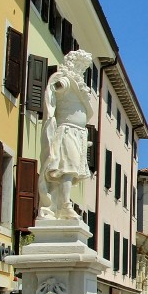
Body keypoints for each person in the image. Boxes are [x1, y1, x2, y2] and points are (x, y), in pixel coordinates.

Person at [38, 50, 96, 220]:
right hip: (67, 131)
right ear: (72, 63)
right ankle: (64, 205)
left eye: (84, 67)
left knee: (71, 170)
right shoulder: (64, 80)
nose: (82, 69)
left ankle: (62, 204)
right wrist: (59, 83)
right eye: (80, 65)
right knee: (67, 168)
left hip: (78, 134)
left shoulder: (78, 84)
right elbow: (55, 90)